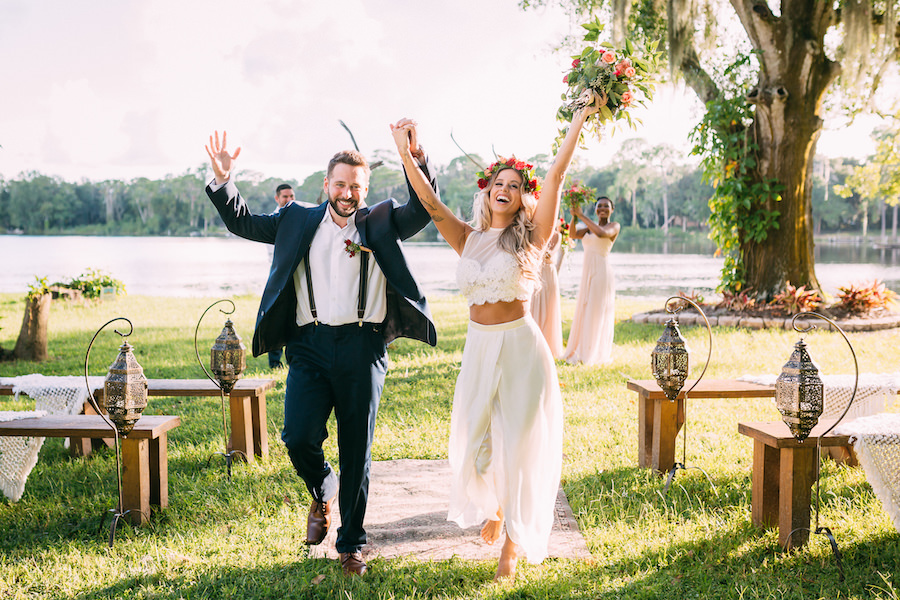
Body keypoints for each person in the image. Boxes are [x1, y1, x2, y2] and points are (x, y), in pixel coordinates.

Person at [204, 127, 438, 577]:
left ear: (365, 190)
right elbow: (243, 222)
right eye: (340, 184)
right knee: (297, 436)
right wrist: (224, 181)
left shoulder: (381, 222)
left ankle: (350, 545)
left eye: (356, 186)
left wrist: (416, 164)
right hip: (308, 346)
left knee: (357, 449)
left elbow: (423, 208)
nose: (347, 193)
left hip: (362, 345)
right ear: (326, 184)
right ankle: (322, 486)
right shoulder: (295, 219)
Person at [389, 92, 600, 580]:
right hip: (480, 349)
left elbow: (555, 176)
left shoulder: (532, 235)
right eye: (497, 183)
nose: (504, 189)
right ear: (486, 193)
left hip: (521, 348)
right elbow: (428, 201)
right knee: (475, 440)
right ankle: (497, 506)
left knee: (518, 440)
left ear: (520, 195)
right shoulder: (467, 237)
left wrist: (578, 119)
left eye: (513, 184)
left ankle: (509, 540)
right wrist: (404, 152)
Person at [563, 196, 620, 365]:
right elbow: (572, 234)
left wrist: (581, 216)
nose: (602, 209)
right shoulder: (589, 228)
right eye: (599, 206)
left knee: (597, 310)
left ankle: (594, 352)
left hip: (602, 272)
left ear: (612, 209)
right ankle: (582, 348)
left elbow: (602, 233)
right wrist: (573, 215)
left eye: (606, 206)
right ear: (595, 209)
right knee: (586, 309)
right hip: (587, 273)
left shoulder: (613, 226)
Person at [267, 183, 296, 369]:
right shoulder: (272, 220)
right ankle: (275, 362)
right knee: (276, 318)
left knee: (294, 318)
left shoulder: (299, 218)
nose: (289, 200)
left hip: (296, 275)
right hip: (278, 275)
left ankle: (293, 359)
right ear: (277, 198)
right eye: (285, 196)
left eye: (292, 196)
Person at [529, 225, 565, 358]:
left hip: (547, 273)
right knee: (533, 305)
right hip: (534, 271)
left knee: (547, 308)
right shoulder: (531, 232)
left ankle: (547, 345)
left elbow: (547, 253)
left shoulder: (556, 235)